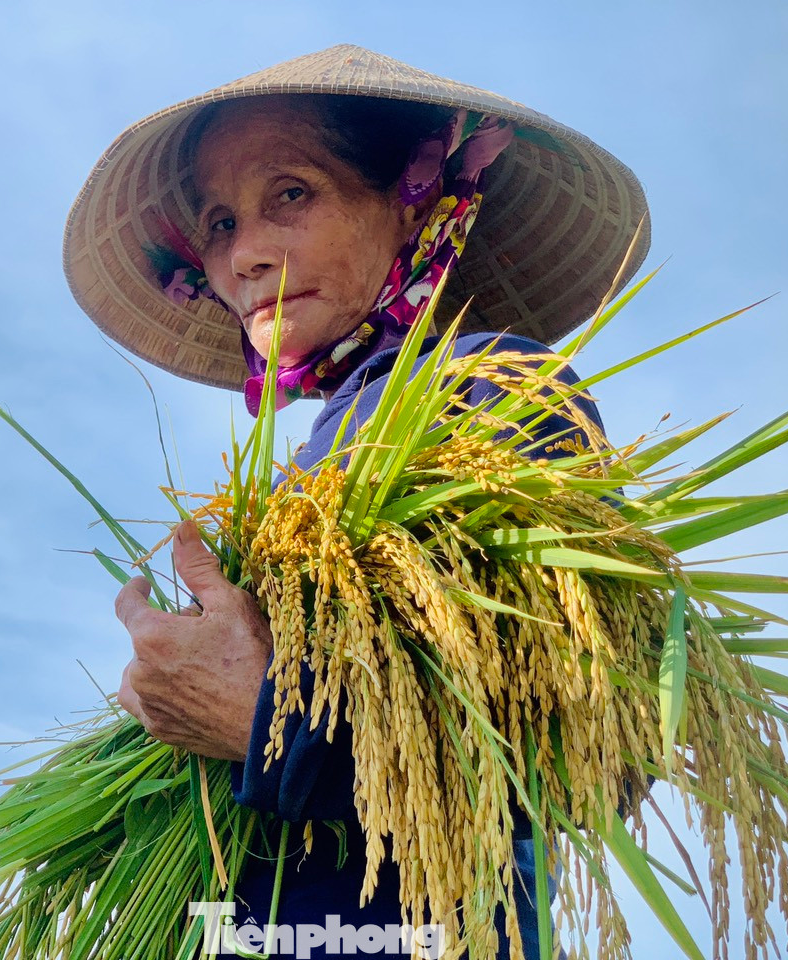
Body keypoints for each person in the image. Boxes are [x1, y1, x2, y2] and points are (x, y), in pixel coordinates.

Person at [63, 45, 650, 959]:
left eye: (290, 193)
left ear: (411, 199)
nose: (243, 254)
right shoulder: (308, 463)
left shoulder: (491, 389)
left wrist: (263, 723)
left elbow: (596, 762)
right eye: (218, 222)